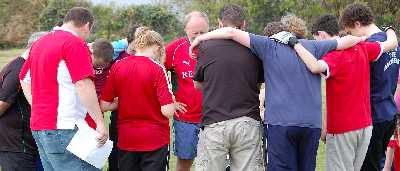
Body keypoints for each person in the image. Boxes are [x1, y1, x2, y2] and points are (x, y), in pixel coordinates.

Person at [190, 14, 365, 171]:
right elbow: (345, 41)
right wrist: (364, 38)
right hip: (311, 124)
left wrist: (200, 38)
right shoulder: (313, 46)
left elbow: (231, 33)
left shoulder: (268, 45)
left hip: (281, 123)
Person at [291, 14, 398, 171]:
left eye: (316, 40)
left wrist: (295, 44)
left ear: (321, 34)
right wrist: (389, 29)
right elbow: (391, 43)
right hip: (365, 126)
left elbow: (314, 66)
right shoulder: (363, 47)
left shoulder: (334, 55)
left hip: (343, 129)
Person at [19, 7, 108, 171]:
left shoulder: (40, 42)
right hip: (64, 126)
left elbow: (24, 79)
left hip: (40, 126)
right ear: (87, 25)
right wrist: (100, 122)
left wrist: (37, 105)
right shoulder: (74, 43)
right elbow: (83, 83)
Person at [192, 4, 264, 171]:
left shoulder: (206, 47)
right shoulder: (254, 46)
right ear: (243, 24)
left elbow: (198, 84)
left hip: (215, 122)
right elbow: (258, 82)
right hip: (247, 121)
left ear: (219, 23)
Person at [100, 27, 176, 171]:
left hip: (127, 137)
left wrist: (124, 101)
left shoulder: (117, 65)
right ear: (157, 47)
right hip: (155, 138)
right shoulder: (158, 69)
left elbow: (104, 105)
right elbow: (167, 111)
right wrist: (171, 101)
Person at [340, 3, 400, 171]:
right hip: (389, 112)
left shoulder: (368, 47)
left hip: (372, 116)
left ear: (358, 24)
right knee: (378, 162)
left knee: (367, 166)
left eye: (350, 32)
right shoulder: (392, 43)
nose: (351, 37)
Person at [164, 11, 209, 171]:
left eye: (202, 33)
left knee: (213, 164)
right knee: (184, 163)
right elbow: (157, 73)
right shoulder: (175, 49)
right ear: (186, 30)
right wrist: (169, 100)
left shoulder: (216, 47)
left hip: (214, 118)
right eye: (194, 33)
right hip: (185, 119)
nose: (198, 36)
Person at [0, 32, 47, 171]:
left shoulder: (25, 66)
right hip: (16, 144)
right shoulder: (19, 69)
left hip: (24, 142)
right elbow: (2, 103)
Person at [85, 38, 115, 129]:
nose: (101, 68)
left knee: (96, 133)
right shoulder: (83, 56)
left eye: (104, 66)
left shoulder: (110, 61)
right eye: (98, 65)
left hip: (97, 106)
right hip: (83, 102)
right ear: (92, 54)